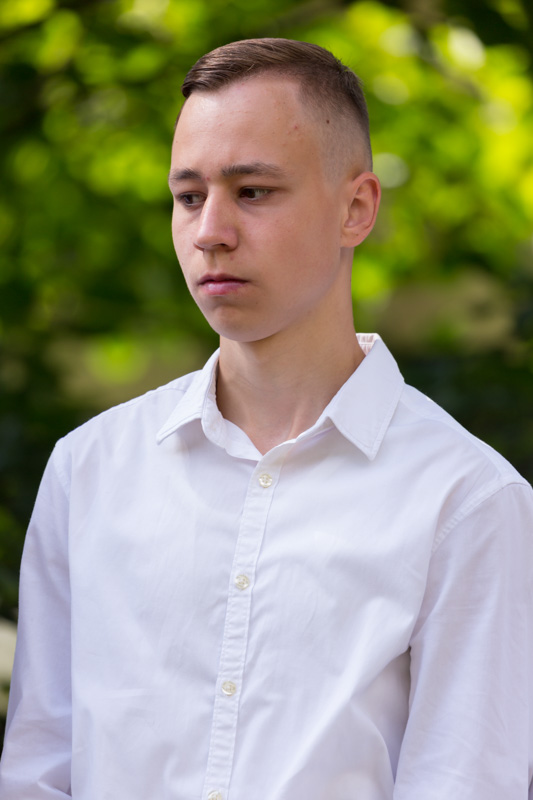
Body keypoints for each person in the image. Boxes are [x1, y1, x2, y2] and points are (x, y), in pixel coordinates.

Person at [0, 37, 532, 800]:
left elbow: (465, 783)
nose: (209, 230)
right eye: (189, 196)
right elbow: (38, 773)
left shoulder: (467, 501)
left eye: (251, 191)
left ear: (356, 209)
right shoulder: (89, 470)